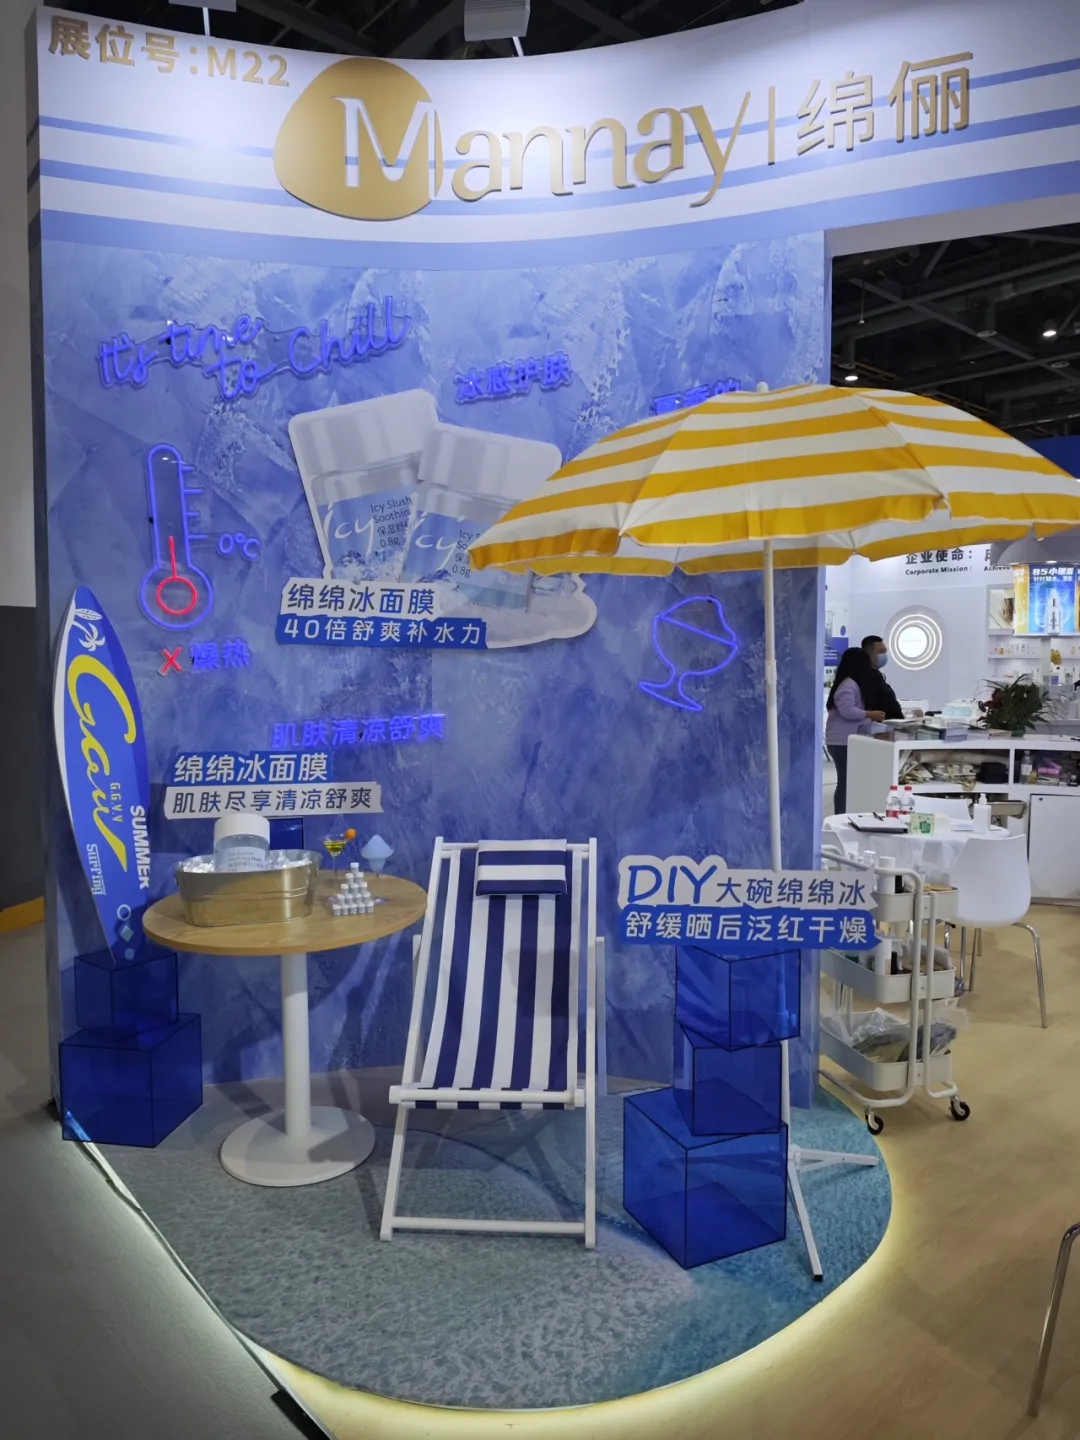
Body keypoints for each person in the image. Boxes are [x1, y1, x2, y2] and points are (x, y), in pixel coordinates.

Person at [826, 646, 885, 814]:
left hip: (844, 740)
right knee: (845, 782)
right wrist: (869, 714)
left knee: (848, 781)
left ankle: (845, 813)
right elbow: (847, 710)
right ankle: (841, 815)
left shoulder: (851, 684)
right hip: (842, 742)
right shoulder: (848, 685)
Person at [860, 635, 904, 719]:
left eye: (885, 652)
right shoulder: (864, 679)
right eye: (880, 652)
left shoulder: (878, 675)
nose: (884, 655)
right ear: (868, 654)